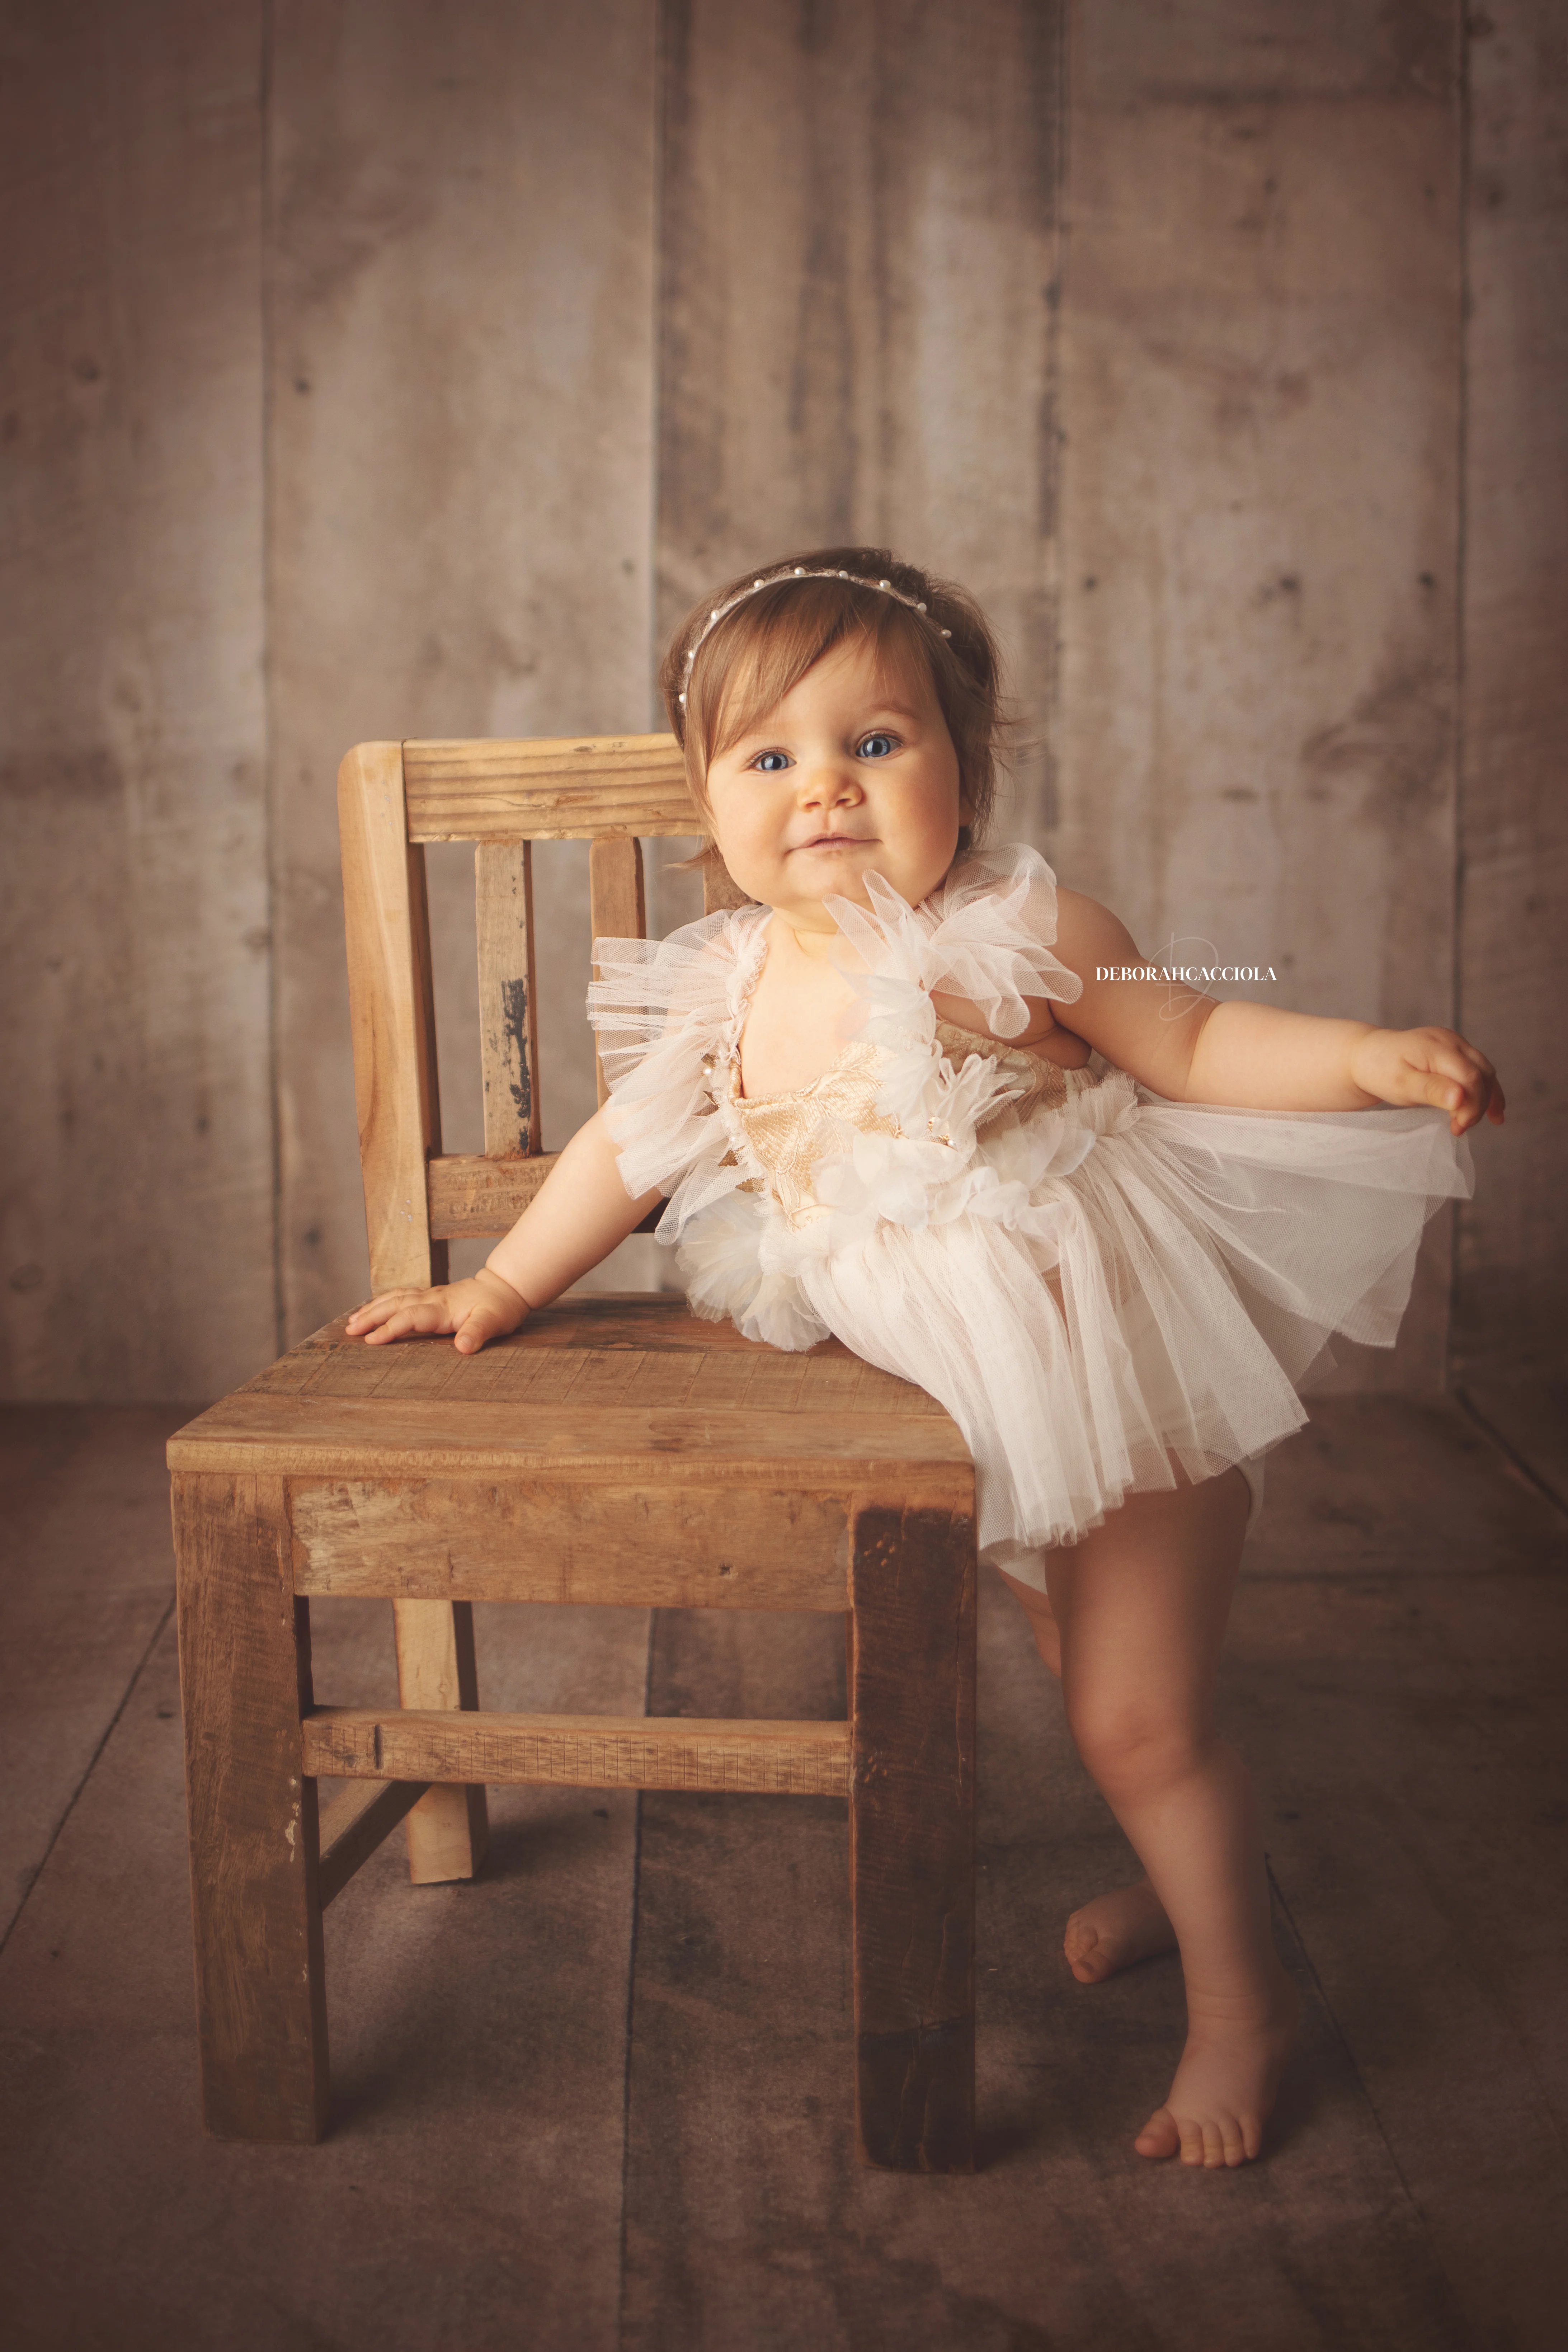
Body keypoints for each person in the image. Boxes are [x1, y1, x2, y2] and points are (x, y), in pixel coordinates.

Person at [347, 549, 1503, 2170]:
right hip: (973, 1401)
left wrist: (1363, 1054)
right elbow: (628, 1147)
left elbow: (1199, 1041)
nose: (824, 786)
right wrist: (508, 1285)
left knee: (1139, 1714)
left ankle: (1249, 2001)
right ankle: (1187, 1874)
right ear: (712, 800)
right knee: (1080, 1673)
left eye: (875, 743)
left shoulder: (1024, 929)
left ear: (965, 763)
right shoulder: (728, 981)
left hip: (1117, 1360)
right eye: (771, 759)